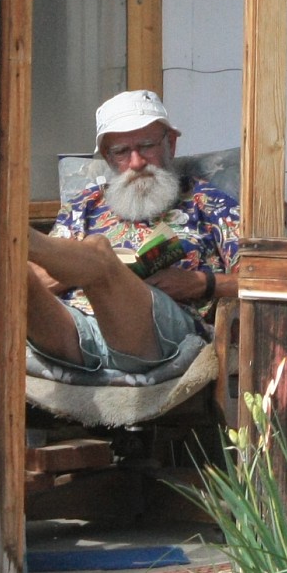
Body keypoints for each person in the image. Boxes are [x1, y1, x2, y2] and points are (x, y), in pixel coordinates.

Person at [27, 90, 240, 385]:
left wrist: (202, 283)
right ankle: (24, 246)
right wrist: (83, 273)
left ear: (171, 144)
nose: (137, 162)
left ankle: (34, 242)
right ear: (107, 157)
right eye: (122, 152)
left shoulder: (207, 202)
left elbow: (262, 279)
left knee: (98, 251)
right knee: (20, 278)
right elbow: (43, 281)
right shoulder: (85, 204)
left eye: (147, 146)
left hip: (160, 334)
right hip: (76, 335)